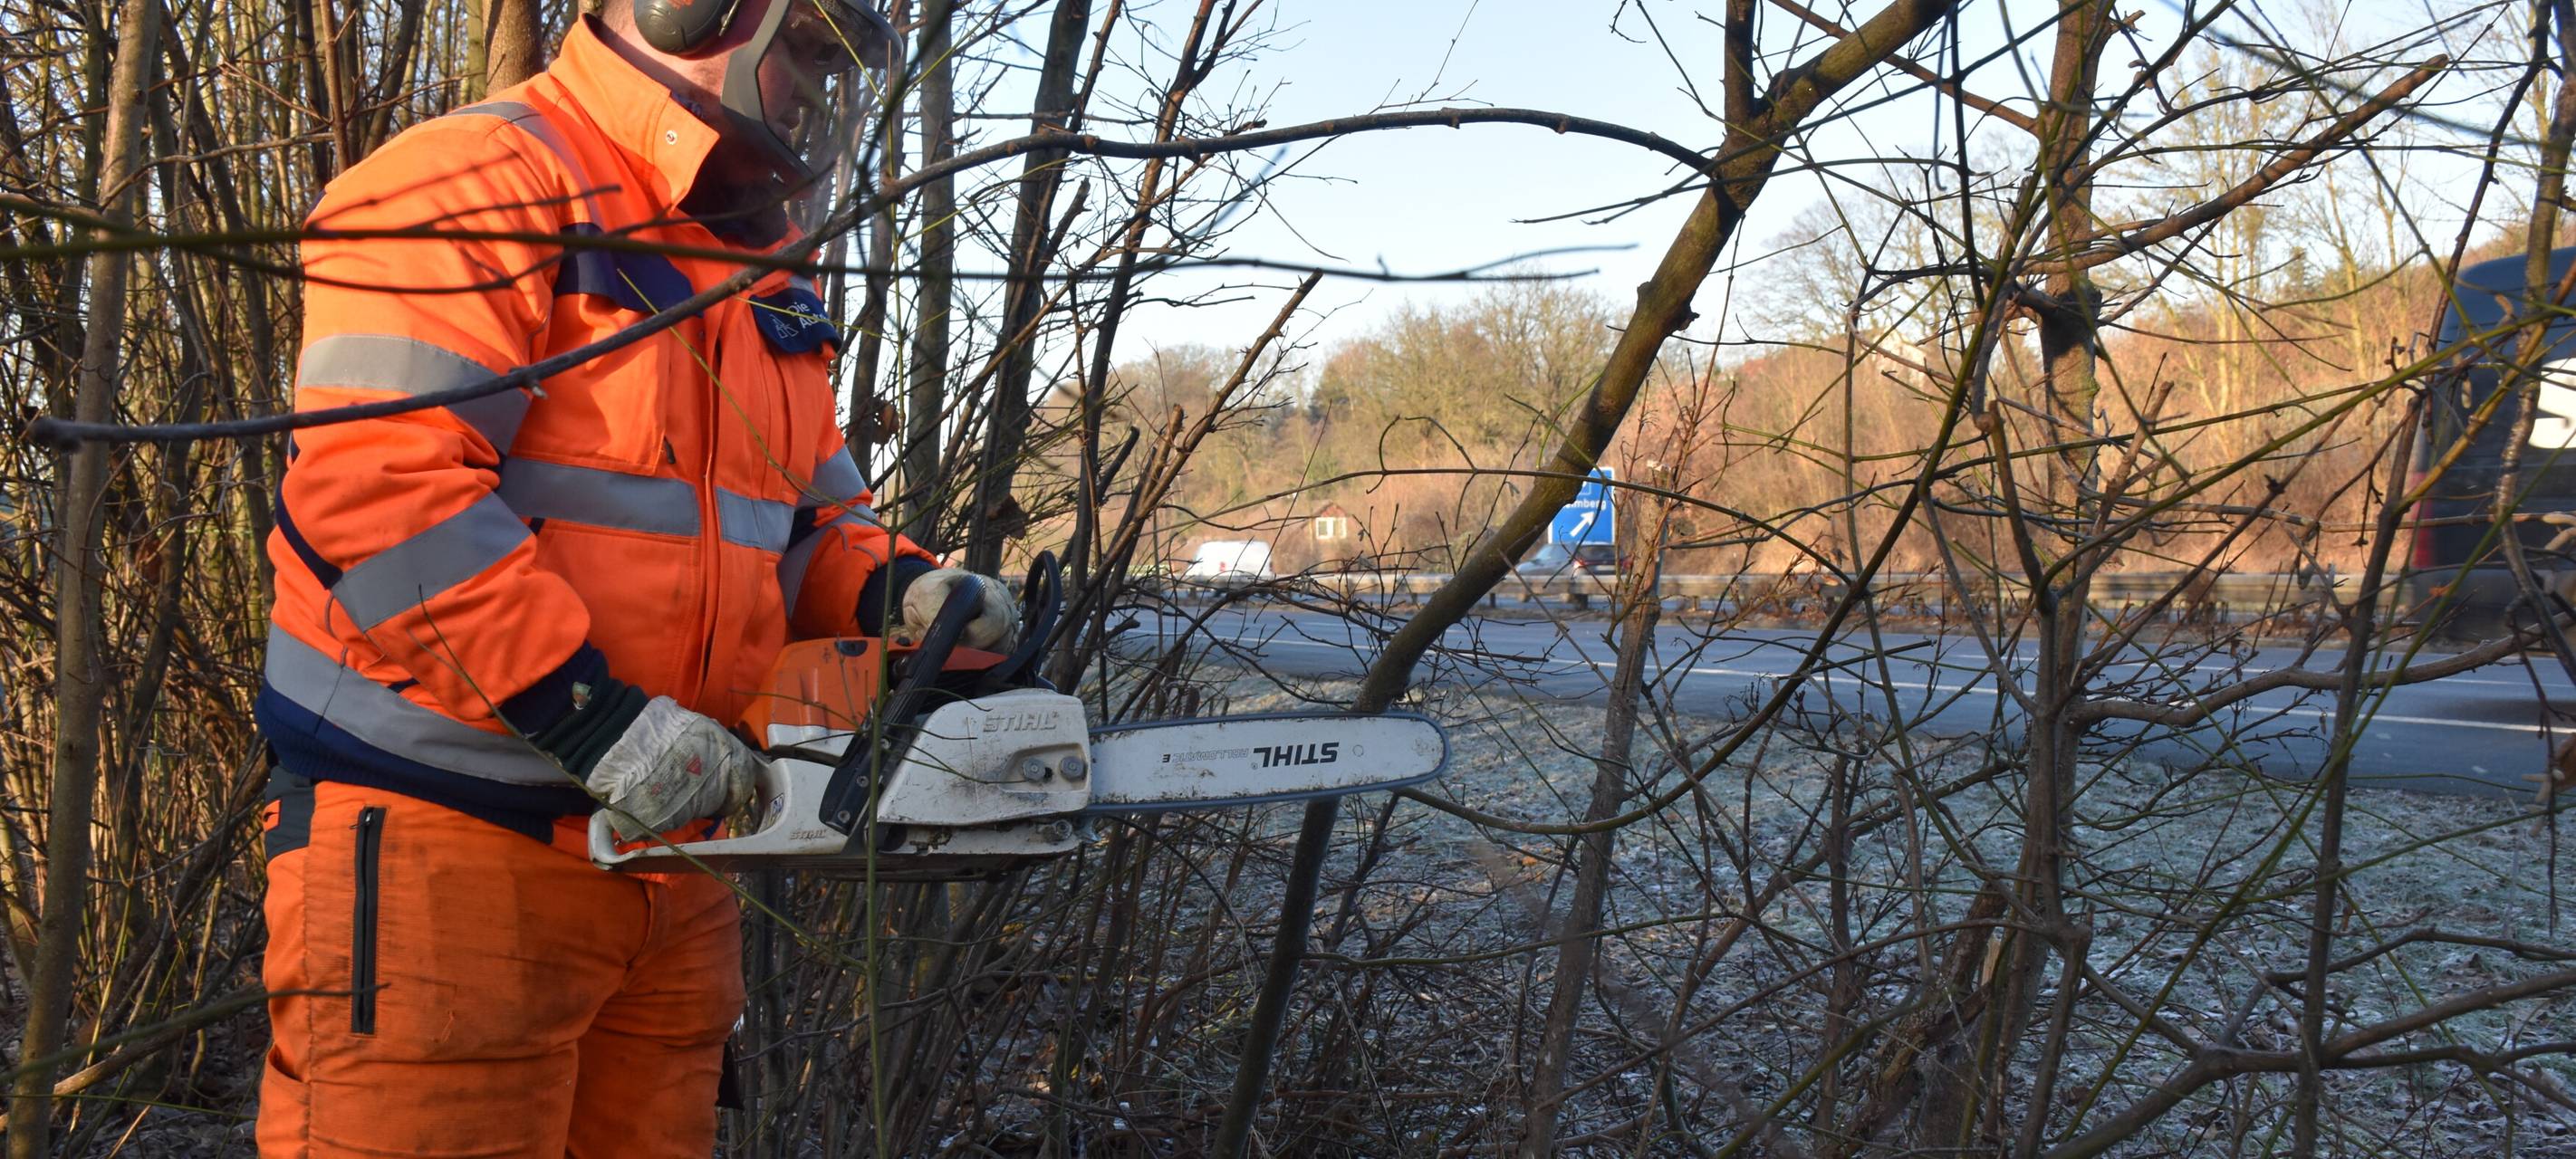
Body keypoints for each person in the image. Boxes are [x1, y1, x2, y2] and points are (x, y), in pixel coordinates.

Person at [253, 2, 1014, 1153]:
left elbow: (807, 523)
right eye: (808, 49)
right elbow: (386, 494)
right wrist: (597, 719)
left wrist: (899, 595)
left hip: (681, 849)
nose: (816, 87)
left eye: (836, 63)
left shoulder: (758, 273)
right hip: (447, 853)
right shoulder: (474, 186)